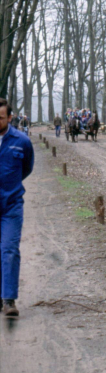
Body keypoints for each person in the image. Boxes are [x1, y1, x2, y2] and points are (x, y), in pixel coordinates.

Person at [0, 98, 34, 317]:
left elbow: (27, 168)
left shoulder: (21, 141)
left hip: (11, 206)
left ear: (10, 118)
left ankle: (9, 299)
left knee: (9, 249)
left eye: (0, 117)